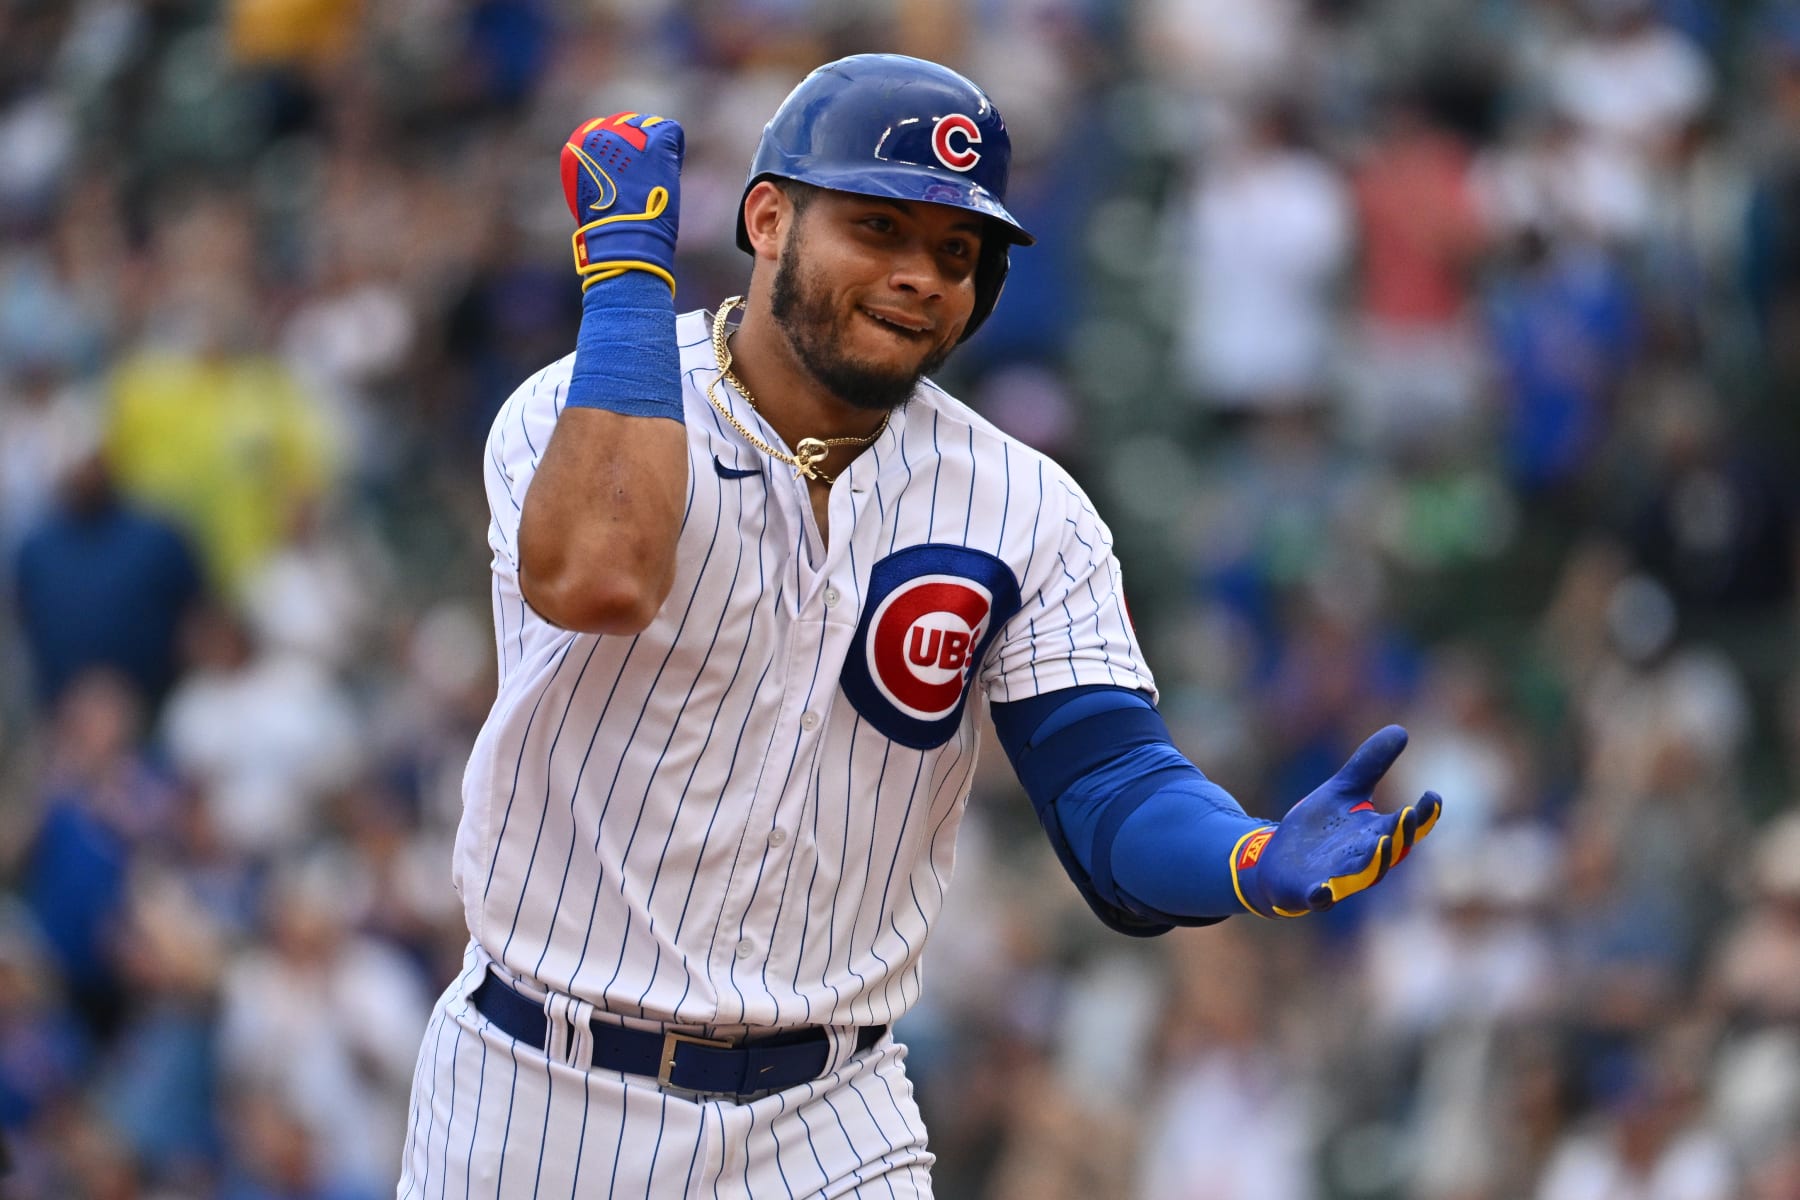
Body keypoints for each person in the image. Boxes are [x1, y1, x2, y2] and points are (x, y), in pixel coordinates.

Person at [398, 53, 1443, 1198]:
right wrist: (629, 282)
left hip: (829, 1115)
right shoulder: (575, 404)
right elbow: (600, 575)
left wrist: (1239, 856)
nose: (919, 277)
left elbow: (1106, 778)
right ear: (768, 219)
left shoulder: (1023, 504)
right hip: (543, 1091)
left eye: (956, 253)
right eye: (879, 229)